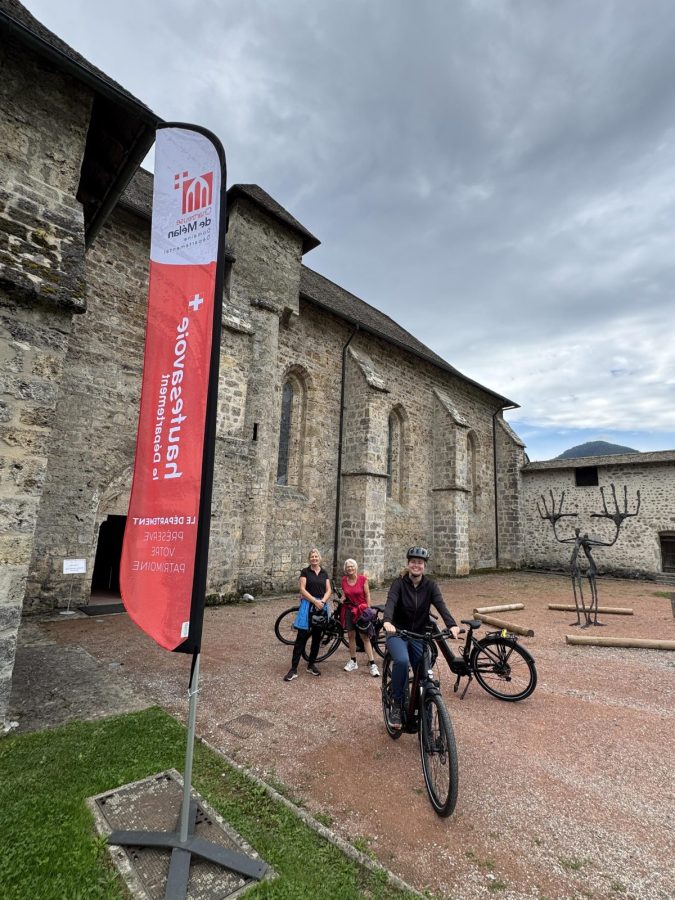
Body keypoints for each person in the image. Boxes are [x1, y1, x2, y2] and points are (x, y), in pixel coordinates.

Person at [383, 546, 460, 728]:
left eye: (420, 562)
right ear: (408, 564)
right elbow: (391, 602)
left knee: (426, 669)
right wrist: (387, 621)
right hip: (398, 633)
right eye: (413, 562)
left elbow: (441, 605)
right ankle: (397, 702)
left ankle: (424, 708)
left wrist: (452, 625)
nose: (416, 565)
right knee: (402, 661)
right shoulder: (399, 584)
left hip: (419, 635)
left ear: (424, 566)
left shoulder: (431, 586)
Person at [284, 549, 332, 681]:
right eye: (312, 557)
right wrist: (315, 601)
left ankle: (311, 664)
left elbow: (329, 590)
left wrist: (322, 601)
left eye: (316, 556)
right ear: (309, 559)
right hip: (308, 606)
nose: (314, 558)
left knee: (317, 638)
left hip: (321, 607)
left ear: (319, 558)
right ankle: (293, 669)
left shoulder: (324, 573)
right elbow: (302, 589)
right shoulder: (305, 572)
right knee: (301, 638)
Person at [340, 559, 380, 677]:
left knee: (365, 637)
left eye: (352, 566)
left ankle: (372, 664)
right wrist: (342, 599)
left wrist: (368, 610)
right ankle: (353, 661)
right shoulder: (344, 580)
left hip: (361, 611)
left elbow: (367, 595)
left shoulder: (362, 579)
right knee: (351, 635)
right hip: (349, 610)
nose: (350, 568)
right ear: (345, 569)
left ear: (356, 568)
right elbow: (344, 594)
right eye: (348, 567)